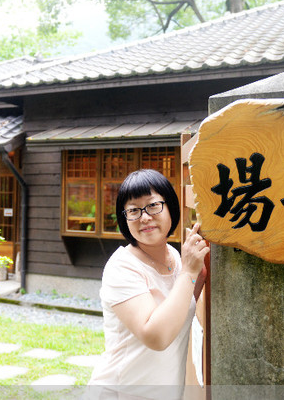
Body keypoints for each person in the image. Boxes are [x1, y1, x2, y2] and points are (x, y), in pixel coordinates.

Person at [88, 169, 209, 399]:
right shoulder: (122, 267)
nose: (144, 217)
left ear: (170, 207)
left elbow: (177, 308)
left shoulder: (175, 257)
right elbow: (156, 336)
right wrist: (189, 272)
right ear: (125, 218)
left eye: (153, 206)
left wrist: (198, 274)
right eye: (133, 210)